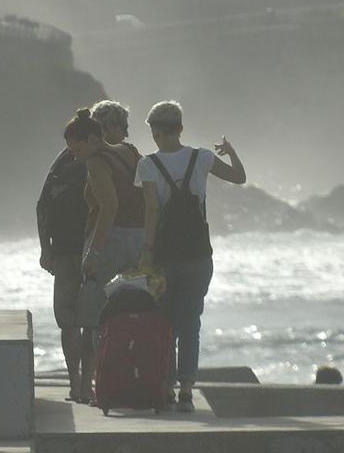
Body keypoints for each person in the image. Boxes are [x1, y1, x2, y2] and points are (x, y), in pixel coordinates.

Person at [137, 98, 246, 413]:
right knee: (190, 323)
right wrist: (232, 151)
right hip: (199, 255)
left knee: (164, 324)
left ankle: (166, 387)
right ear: (181, 128)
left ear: (155, 131)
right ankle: (186, 390)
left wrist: (146, 254)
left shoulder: (148, 164)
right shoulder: (202, 158)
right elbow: (240, 178)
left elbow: (152, 211)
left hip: (164, 257)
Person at [76, 102, 146, 348]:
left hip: (112, 241)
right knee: (136, 310)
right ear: (109, 128)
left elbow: (109, 208)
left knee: (97, 315)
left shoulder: (97, 161)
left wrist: (92, 253)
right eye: (123, 127)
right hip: (141, 238)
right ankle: (133, 367)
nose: (126, 133)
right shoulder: (133, 153)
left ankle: (101, 376)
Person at [36, 112, 93, 401]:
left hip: (66, 251)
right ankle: (85, 385)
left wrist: (45, 248)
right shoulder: (103, 158)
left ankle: (76, 383)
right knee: (90, 321)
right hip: (92, 250)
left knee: (69, 321)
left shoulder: (62, 160)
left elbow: (42, 205)